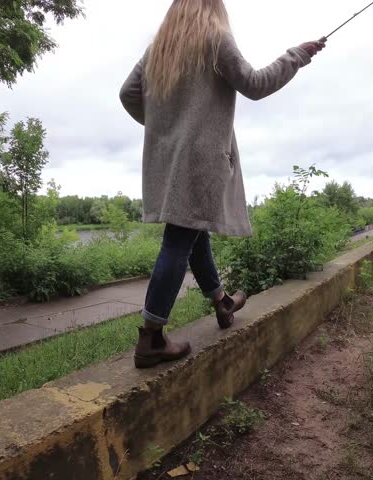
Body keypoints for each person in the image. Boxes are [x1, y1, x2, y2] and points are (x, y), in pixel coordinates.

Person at [120, 0, 325, 369]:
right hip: (201, 160)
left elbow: (128, 94)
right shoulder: (215, 39)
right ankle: (151, 337)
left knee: (193, 231)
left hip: (168, 160)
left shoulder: (158, 49)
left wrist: (165, 130)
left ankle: (222, 303)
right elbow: (255, 84)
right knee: (178, 238)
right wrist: (297, 55)